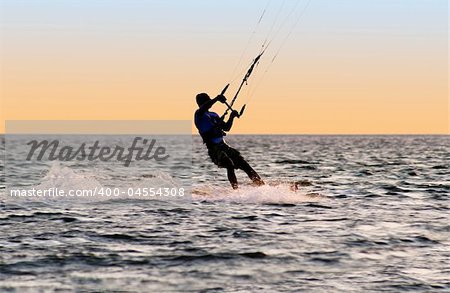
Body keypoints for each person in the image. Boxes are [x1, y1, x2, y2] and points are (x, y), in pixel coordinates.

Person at [194, 92, 264, 189]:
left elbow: (226, 128)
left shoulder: (213, 114)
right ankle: (236, 190)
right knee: (229, 165)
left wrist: (232, 117)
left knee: (245, 165)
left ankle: (262, 186)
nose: (210, 102)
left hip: (224, 146)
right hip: (214, 149)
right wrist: (216, 98)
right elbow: (205, 107)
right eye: (208, 100)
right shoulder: (199, 114)